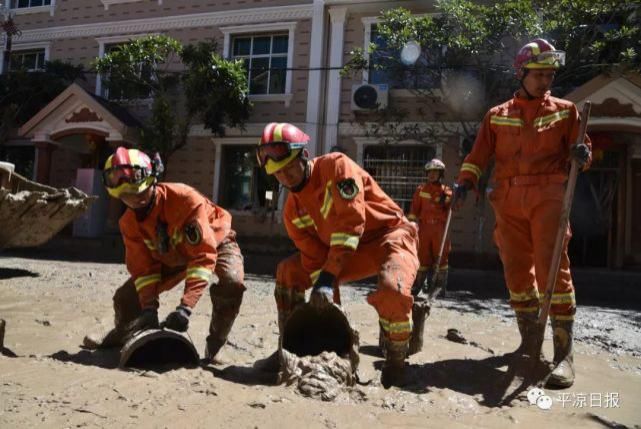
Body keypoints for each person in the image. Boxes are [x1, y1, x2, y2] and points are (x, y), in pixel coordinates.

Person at [453, 39, 591, 388]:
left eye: (549, 74)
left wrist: (582, 155)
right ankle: (531, 344)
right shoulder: (497, 116)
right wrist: (465, 184)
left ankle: (563, 355)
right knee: (517, 273)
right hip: (508, 200)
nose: (546, 80)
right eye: (540, 74)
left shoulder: (565, 111)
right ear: (522, 73)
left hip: (548, 197)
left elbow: (585, 152)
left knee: (552, 272)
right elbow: (479, 155)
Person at [254, 122, 419, 387]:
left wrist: (328, 279)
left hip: (389, 237)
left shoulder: (336, 167)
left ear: (303, 156)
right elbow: (317, 264)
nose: (285, 177)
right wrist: (331, 320)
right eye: (277, 173)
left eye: (288, 168)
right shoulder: (292, 213)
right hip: (345, 254)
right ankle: (289, 346)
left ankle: (396, 362)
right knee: (288, 271)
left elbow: (351, 223)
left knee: (393, 290)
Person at [83, 147, 246, 364]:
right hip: (171, 251)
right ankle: (123, 334)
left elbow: (203, 256)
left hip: (215, 238)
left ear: (152, 182)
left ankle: (216, 346)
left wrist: (185, 308)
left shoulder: (185, 199)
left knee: (232, 282)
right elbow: (143, 270)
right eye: (126, 196)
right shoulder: (129, 224)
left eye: (140, 193)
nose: (135, 201)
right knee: (126, 297)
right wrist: (149, 308)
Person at [407, 158, 452, 296]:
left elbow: (452, 207)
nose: (432, 175)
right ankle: (418, 285)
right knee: (422, 256)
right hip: (424, 228)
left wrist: (449, 199)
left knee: (442, 257)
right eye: (430, 172)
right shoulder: (421, 190)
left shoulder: (446, 191)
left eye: (435, 172)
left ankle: (438, 288)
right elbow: (414, 211)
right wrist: (411, 227)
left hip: (439, 229)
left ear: (440, 174)